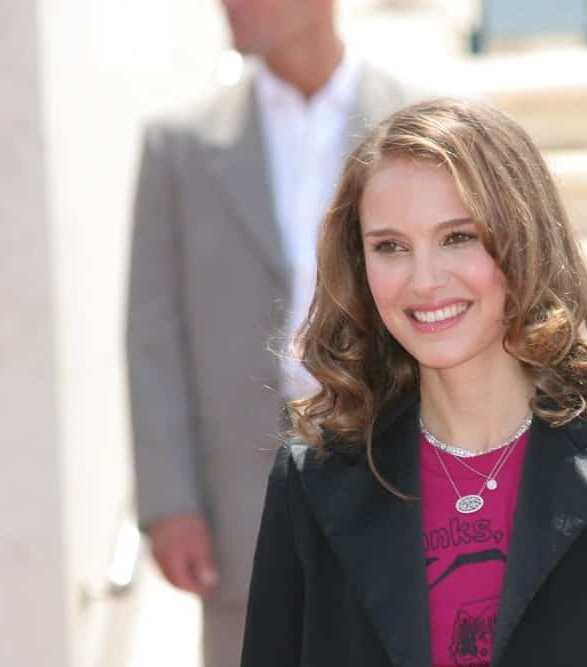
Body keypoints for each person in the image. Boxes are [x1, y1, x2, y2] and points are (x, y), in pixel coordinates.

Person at [240, 98, 587, 667]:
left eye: (458, 237)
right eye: (390, 247)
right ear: (359, 264)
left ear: (520, 238)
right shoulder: (313, 481)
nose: (424, 280)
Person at [126, 1, 424, 664]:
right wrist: (169, 500)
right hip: (241, 491)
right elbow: (153, 334)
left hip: (393, 460)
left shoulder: (422, 124)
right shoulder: (178, 147)